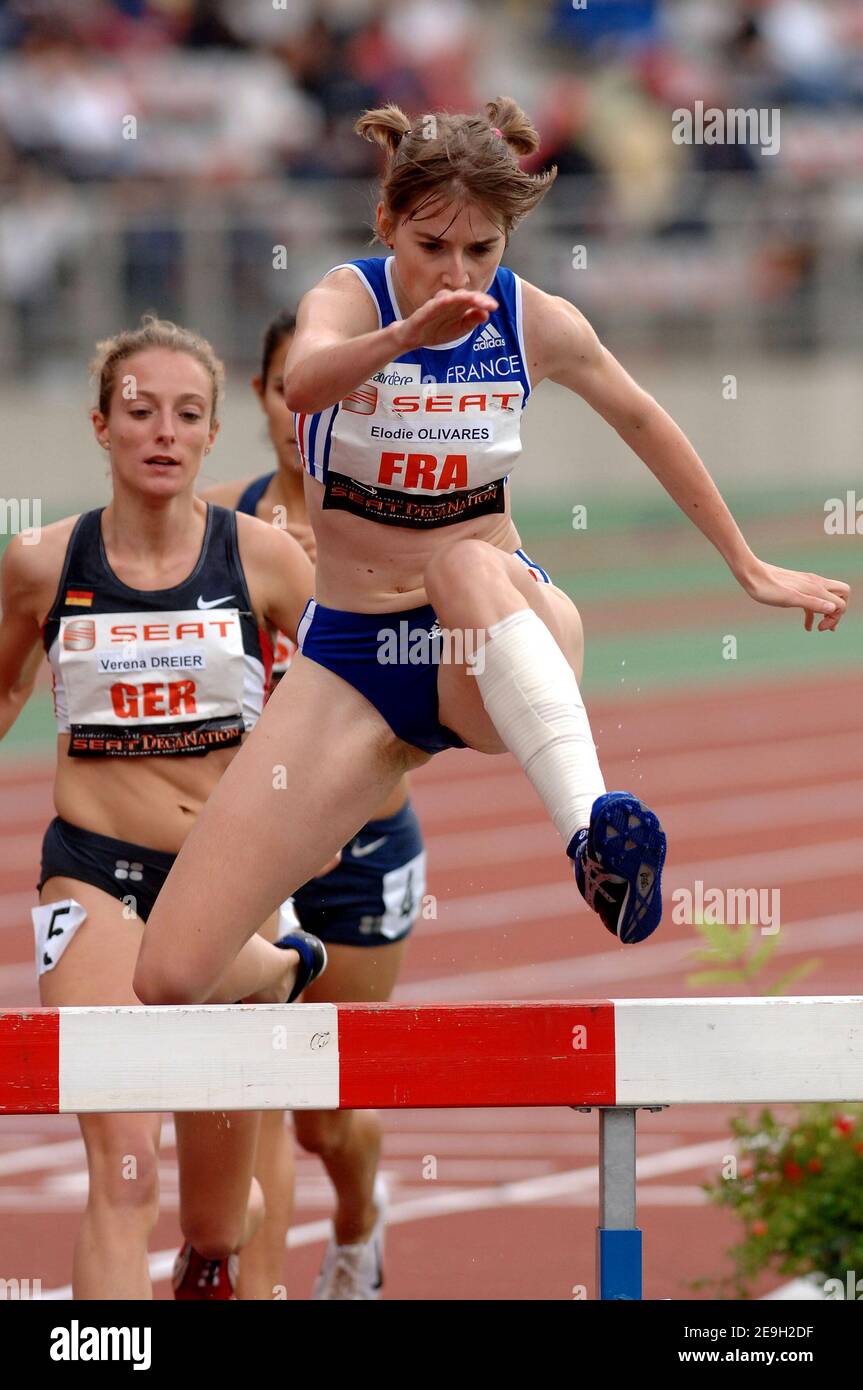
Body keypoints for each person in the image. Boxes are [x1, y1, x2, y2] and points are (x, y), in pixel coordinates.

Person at [135, 95, 849, 1107]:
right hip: (355, 661)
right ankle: (289, 966)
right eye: (433, 245)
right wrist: (408, 334)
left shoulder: (532, 318)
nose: (458, 273)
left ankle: (593, 834)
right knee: (168, 974)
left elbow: (642, 418)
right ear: (387, 226)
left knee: (459, 563)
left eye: (482, 248)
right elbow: (303, 383)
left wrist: (746, 564)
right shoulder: (350, 298)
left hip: (495, 633)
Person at [0, 317, 328, 1300]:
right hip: (92, 873)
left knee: (216, 1223)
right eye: (140, 411)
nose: (163, 432)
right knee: (122, 1167)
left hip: (222, 886)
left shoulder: (266, 562)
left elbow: (348, 705)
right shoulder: (40, 564)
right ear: (101, 425)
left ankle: (221, 1244)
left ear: (212, 435)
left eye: (187, 415)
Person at [200, 309, 423, 1299]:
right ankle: (256, 1285)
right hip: (250, 846)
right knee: (264, 1079)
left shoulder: (392, 522)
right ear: (263, 397)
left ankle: (359, 1217)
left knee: (323, 1110)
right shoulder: (213, 522)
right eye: (292, 384)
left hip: (363, 844)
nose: (309, 405)